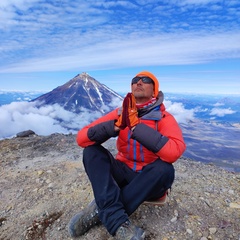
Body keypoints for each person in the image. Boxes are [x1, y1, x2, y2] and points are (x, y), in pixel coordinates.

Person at [68, 71, 186, 240]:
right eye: (135, 80)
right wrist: (114, 127)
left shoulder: (164, 118)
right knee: (91, 151)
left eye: (145, 80)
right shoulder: (120, 114)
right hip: (123, 172)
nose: (139, 82)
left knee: (165, 169)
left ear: (154, 90)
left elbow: (174, 152)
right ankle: (116, 220)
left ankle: (100, 213)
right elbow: (82, 138)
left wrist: (136, 127)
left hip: (148, 180)